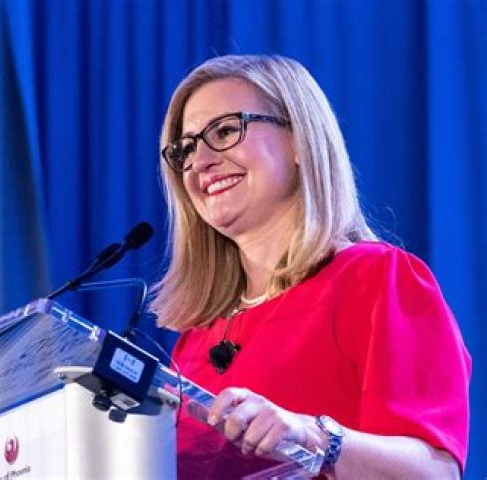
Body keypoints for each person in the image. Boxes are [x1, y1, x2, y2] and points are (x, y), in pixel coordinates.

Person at [149, 55, 470, 479]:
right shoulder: (196, 336)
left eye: (224, 131)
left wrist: (314, 437)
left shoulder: (377, 279)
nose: (200, 161)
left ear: (299, 141)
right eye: (186, 149)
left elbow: (436, 473)